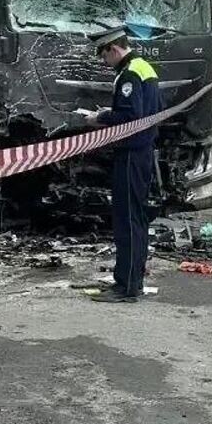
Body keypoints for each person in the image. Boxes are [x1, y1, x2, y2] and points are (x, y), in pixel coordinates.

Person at [85, 22, 162, 303]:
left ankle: (125, 287)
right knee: (137, 220)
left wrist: (100, 119)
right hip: (142, 153)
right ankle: (133, 281)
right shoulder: (145, 68)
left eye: (105, 56)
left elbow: (130, 119)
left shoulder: (129, 75)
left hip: (130, 154)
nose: (105, 63)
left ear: (114, 49)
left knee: (127, 221)